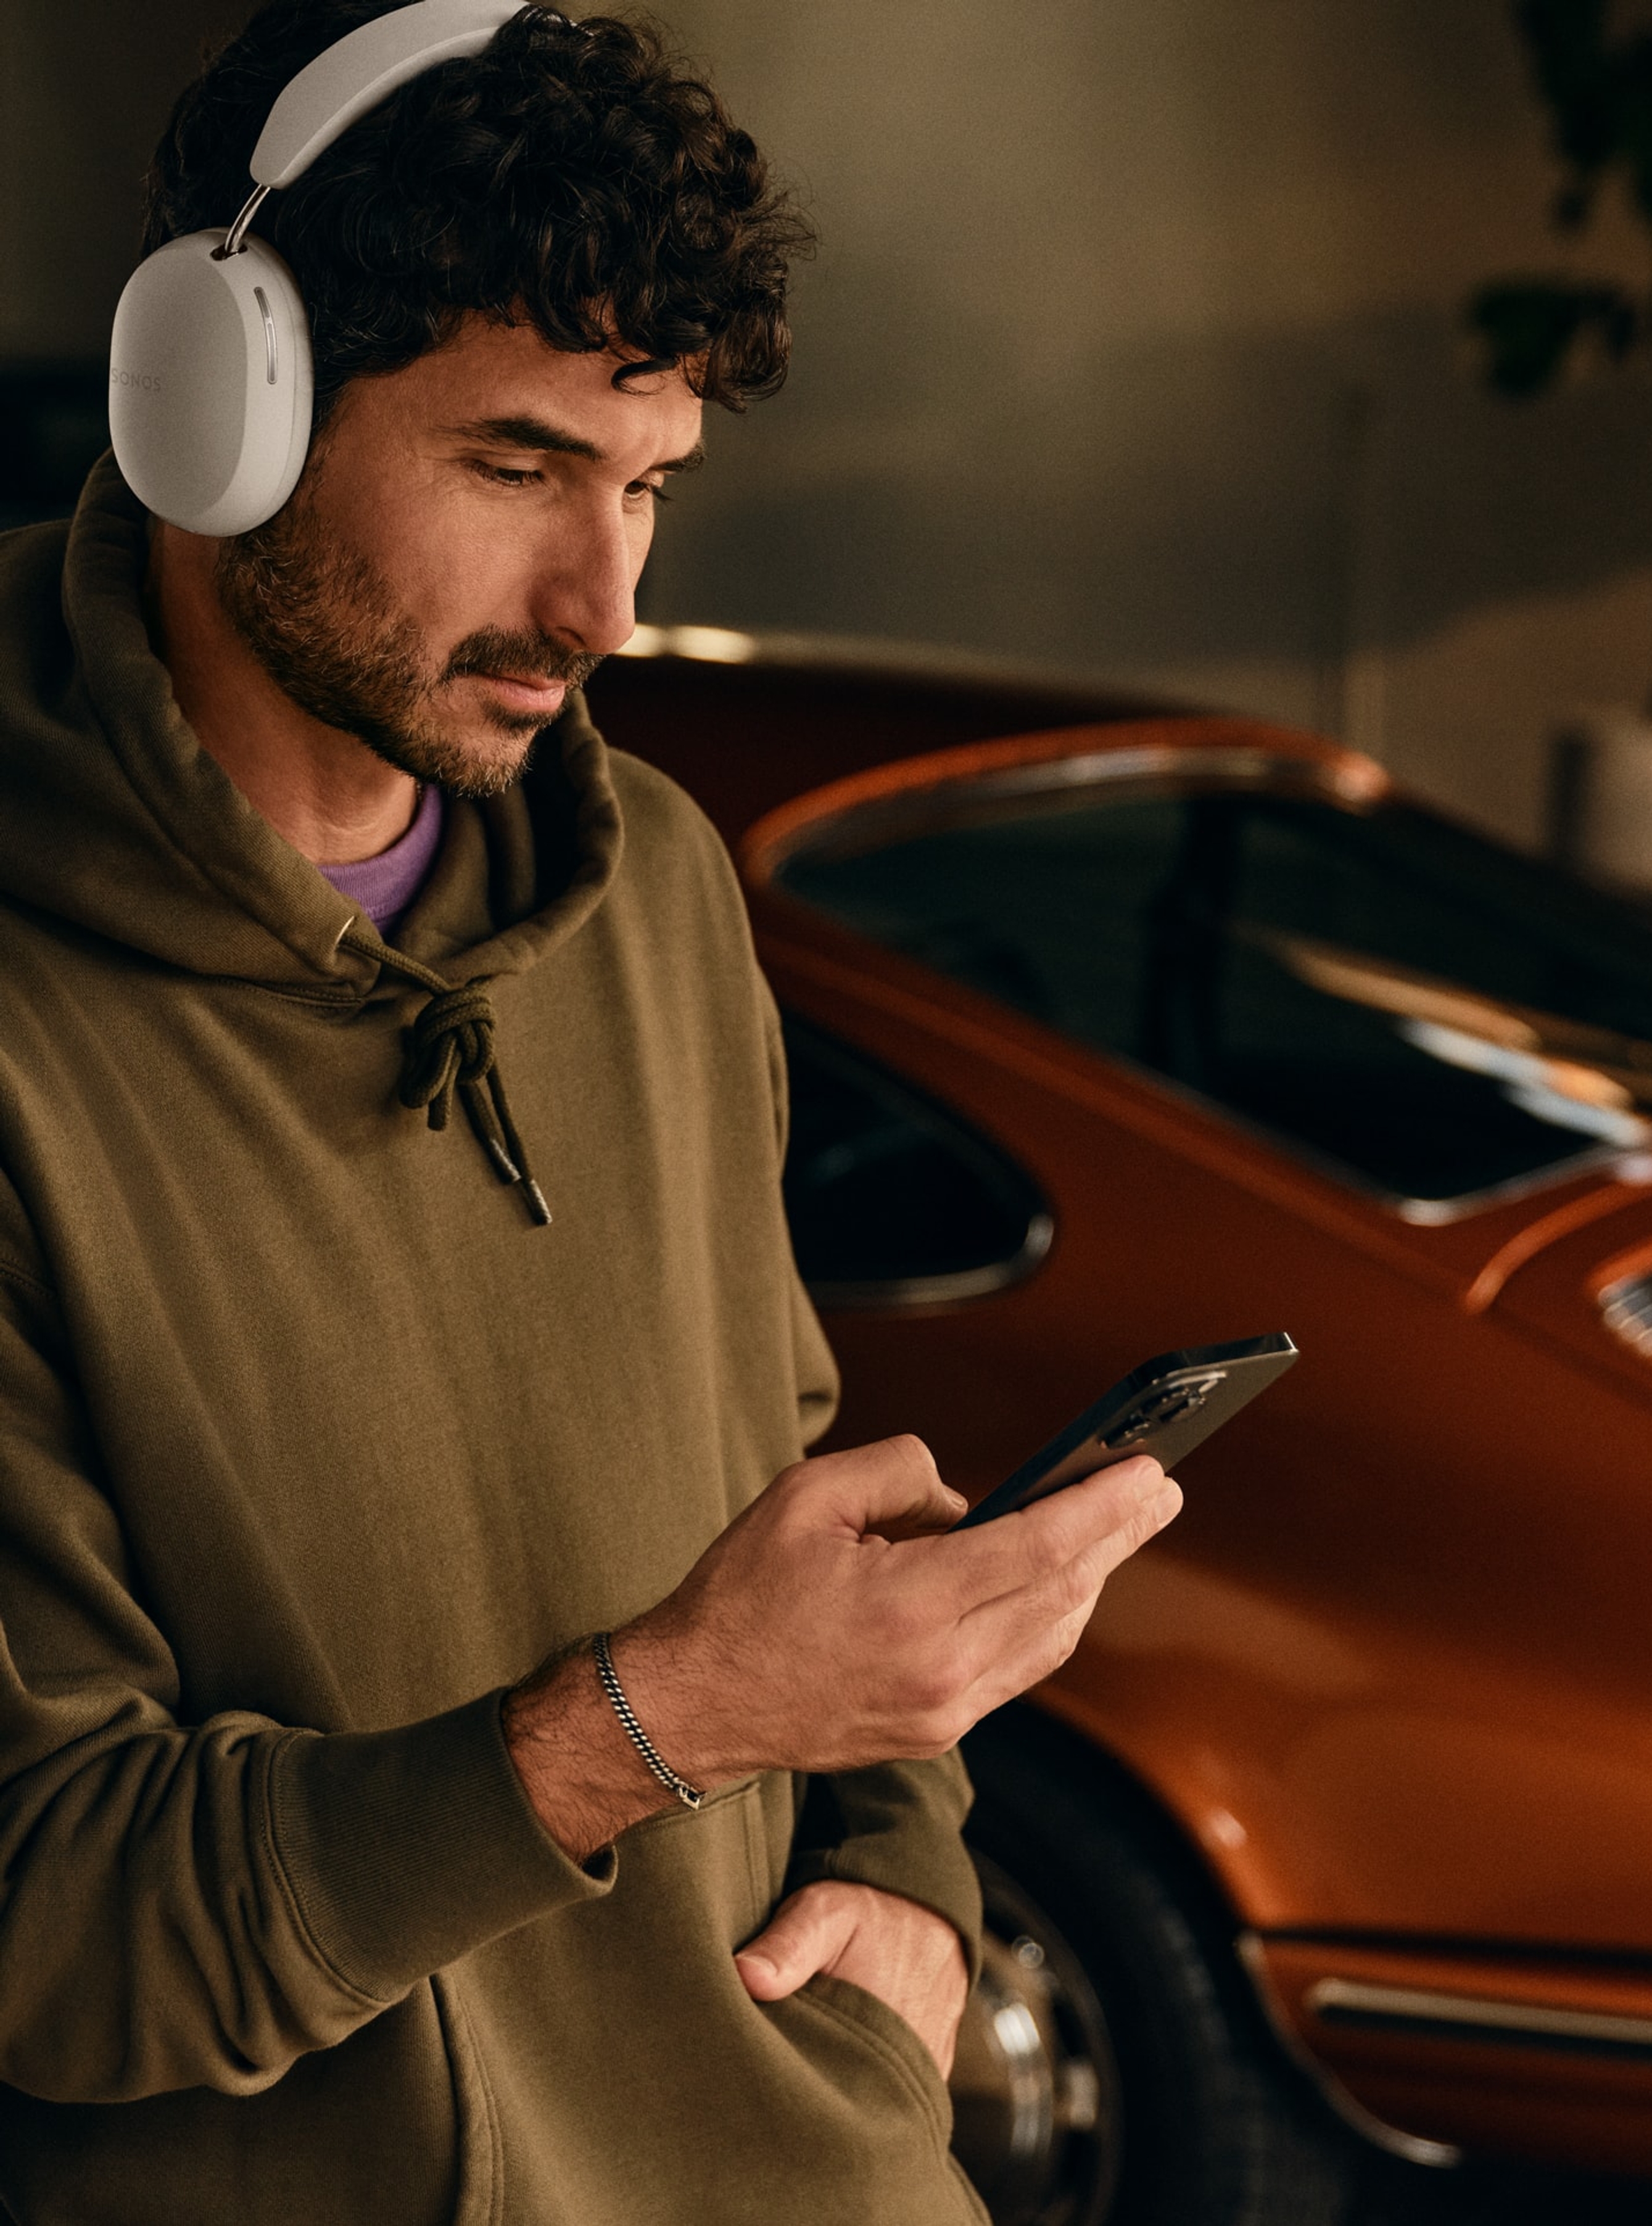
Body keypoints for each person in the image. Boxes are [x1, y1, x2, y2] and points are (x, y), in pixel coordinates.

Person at [0, 4, 1178, 2220]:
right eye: (518, 468)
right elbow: (44, 1922)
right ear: (219, 407)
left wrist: (911, 1869)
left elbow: (788, 1461)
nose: (606, 605)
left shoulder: (652, 898)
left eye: (647, 491)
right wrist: (656, 1725)